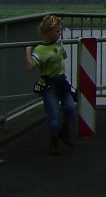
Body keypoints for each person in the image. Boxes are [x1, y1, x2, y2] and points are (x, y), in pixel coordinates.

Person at [25, 14, 77, 156]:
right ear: (47, 31)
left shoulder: (59, 44)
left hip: (62, 82)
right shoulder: (40, 50)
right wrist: (28, 51)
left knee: (71, 108)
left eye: (60, 31)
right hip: (49, 85)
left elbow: (63, 57)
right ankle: (54, 139)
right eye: (57, 31)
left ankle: (64, 131)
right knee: (53, 116)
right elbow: (31, 67)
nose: (59, 34)